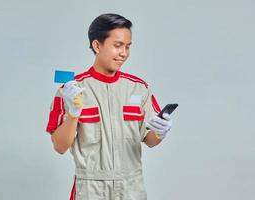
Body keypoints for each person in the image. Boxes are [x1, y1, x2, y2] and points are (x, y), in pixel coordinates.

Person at [46, 13, 173, 200]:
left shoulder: (139, 88)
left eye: (128, 47)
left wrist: (160, 132)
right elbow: (60, 146)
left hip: (132, 187)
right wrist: (74, 114)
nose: (124, 53)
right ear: (97, 45)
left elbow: (150, 140)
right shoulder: (72, 89)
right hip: (91, 188)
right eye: (118, 45)